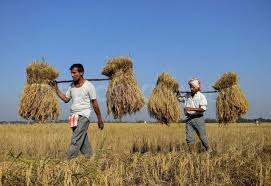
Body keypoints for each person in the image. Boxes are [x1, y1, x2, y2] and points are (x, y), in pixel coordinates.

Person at [51, 63, 104, 160]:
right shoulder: (71, 86)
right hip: (73, 117)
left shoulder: (89, 86)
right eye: (71, 73)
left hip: (84, 116)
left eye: (74, 73)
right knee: (83, 141)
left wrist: (99, 119)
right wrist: (56, 89)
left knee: (76, 140)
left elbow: (94, 103)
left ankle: (67, 161)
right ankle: (91, 160)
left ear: (81, 73)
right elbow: (66, 99)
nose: (72, 75)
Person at [177, 78, 209, 153]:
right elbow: (180, 99)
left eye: (193, 87)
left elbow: (203, 109)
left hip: (198, 119)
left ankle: (208, 149)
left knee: (202, 137)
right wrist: (178, 93)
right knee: (189, 138)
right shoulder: (187, 95)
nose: (191, 88)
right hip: (189, 119)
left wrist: (191, 108)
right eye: (190, 87)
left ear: (197, 88)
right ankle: (192, 153)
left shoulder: (201, 96)